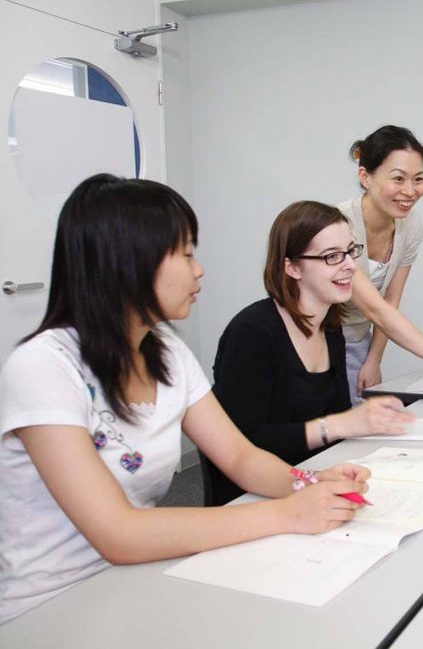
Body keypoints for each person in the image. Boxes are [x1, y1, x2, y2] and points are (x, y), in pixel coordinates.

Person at [0, 175, 371, 624]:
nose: (199, 270)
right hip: (48, 604)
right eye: (186, 253)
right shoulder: (43, 366)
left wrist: (312, 484)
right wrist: (290, 514)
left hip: (141, 575)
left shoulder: (167, 351)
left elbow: (240, 457)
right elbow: (118, 533)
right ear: (128, 261)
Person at [210, 201, 423, 505]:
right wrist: (341, 425)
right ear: (292, 267)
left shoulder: (330, 327)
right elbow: (243, 443)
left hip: (315, 478)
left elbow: (336, 420)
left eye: (351, 251)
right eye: (332, 256)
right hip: (255, 498)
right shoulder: (252, 332)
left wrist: (368, 421)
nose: (351, 266)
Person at [338, 125, 423, 403]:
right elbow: (374, 307)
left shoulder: (411, 225)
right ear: (365, 177)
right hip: (317, 339)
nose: (410, 191)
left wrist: (373, 359)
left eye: (418, 179)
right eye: (398, 178)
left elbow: (390, 299)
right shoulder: (339, 224)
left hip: (359, 339)